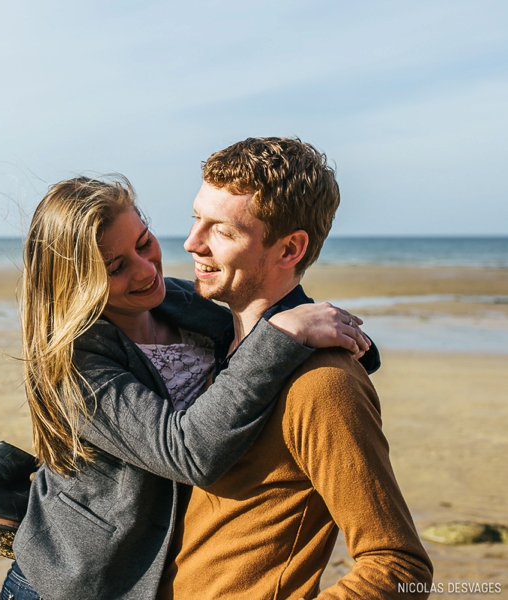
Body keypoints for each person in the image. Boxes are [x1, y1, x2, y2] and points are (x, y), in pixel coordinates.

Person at [0, 175, 369, 600]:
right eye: (115, 268)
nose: (147, 268)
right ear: (75, 284)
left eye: (144, 240)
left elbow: (267, 341)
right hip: (78, 585)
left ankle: (13, 500)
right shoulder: (74, 367)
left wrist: (325, 332)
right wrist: (284, 333)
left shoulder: (177, 301)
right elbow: (187, 452)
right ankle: (21, 514)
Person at [155, 137, 433, 599]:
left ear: (290, 250)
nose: (191, 243)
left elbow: (399, 567)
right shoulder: (218, 347)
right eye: (195, 219)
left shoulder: (323, 384)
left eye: (222, 231)